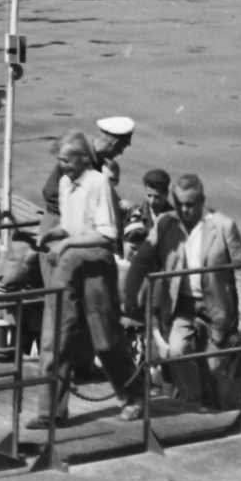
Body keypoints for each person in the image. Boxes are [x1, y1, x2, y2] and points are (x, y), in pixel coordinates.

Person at [27, 131, 143, 429]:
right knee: (56, 337)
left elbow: (108, 234)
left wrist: (66, 244)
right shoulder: (66, 184)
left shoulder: (99, 183)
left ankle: (133, 397)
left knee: (105, 338)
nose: (63, 167)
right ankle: (50, 412)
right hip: (67, 266)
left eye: (67, 160)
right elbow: (68, 226)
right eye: (60, 161)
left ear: (81, 158)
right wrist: (50, 235)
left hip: (95, 263)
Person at [151, 174, 241, 408]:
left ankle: (213, 407)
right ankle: (193, 400)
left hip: (215, 307)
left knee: (214, 369)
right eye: (180, 205)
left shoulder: (224, 226)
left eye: (191, 204)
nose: (185, 210)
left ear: (202, 200)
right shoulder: (169, 224)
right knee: (175, 351)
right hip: (183, 305)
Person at [39, 115, 134, 219]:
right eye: (122, 147)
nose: (121, 152)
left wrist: (120, 204)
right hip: (57, 223)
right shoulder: (77, 155)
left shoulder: (98, 160)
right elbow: (50, 193)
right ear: (116, 143)